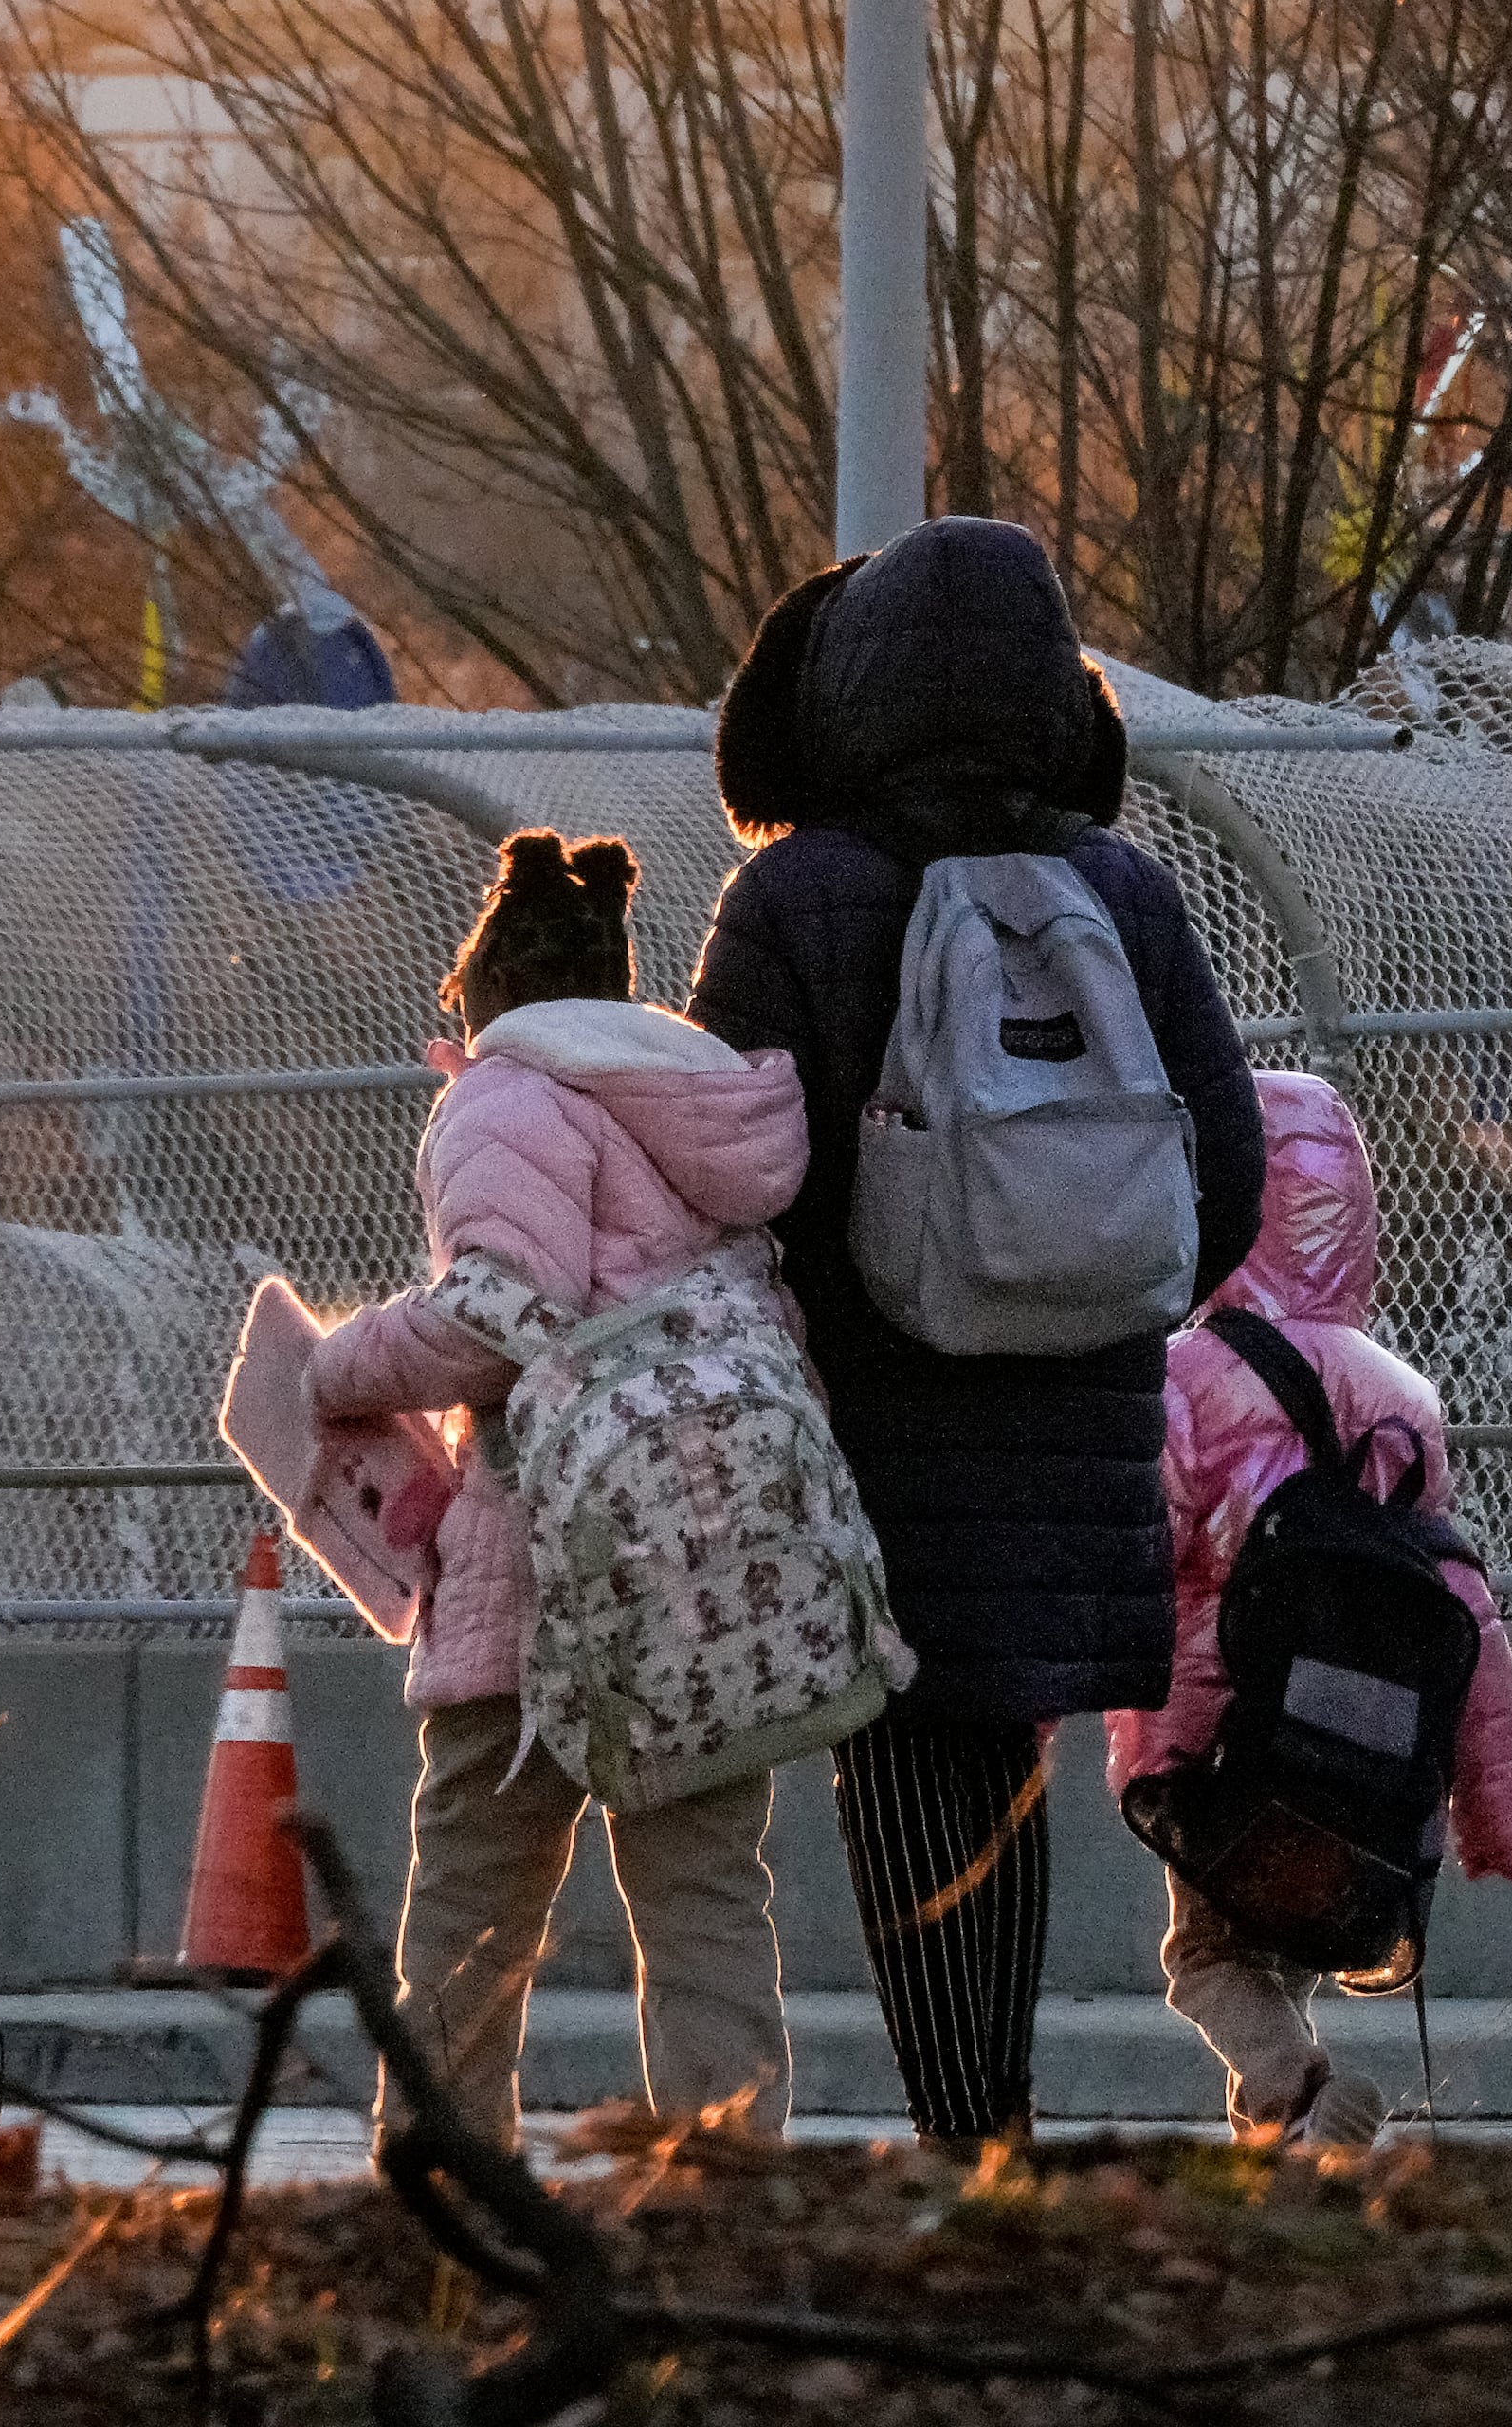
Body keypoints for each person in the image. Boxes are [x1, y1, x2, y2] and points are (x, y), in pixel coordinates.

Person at [686, 519, 1267, 2155]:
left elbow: (727, 1166)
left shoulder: (798, 894)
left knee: (907, 1758)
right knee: (999, 1747)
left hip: (869, 1409)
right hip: (1078, 1416)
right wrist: (1086, 1298)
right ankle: (985, 2124)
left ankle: (969, 2132)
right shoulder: (1122, 891)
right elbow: (1222, 1177)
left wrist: (840, 1299)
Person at [303, 829, 812, 2146]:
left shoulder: (505, 1097)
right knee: (704, 1884)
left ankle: (446, 2160)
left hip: (547, 1548)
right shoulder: (693, 1100)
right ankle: (731, 2168)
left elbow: (497, 1317)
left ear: (478, 992)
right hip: (707, 1550)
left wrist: (338, 1363)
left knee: (477, 1882)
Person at [1113, 1070, 1512, 2147]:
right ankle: (1278, 2147)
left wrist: (1063, 1688)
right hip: (1359, 1741)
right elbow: (1454, 1595)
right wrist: (1496, 1810)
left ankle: (1303, 2094)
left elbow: (1138, 1555)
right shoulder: (1402, 1393)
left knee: (1207, 1956)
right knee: (1278, 1938)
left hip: (1219, 1743)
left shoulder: (1186, 1376)